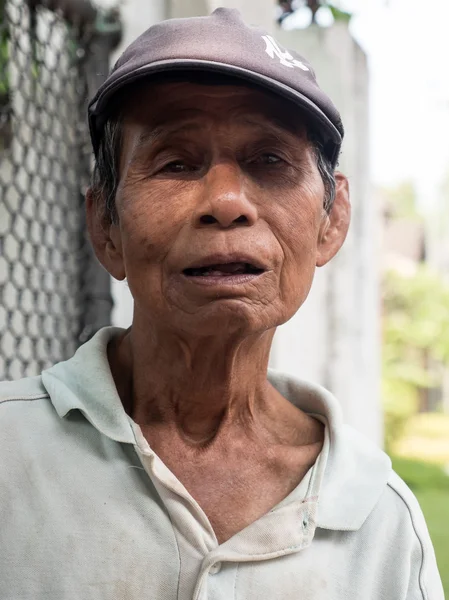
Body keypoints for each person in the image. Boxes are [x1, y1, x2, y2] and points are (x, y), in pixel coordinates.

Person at [0, 8, 443, 600]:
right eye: (176, 162)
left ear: (330, 222)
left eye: (270, 161)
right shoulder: (11, 456)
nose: (228, 201)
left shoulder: (381, 523)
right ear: (106, 226)